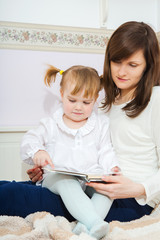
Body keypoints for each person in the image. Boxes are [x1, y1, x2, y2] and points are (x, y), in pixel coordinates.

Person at [0, 21, 159, 225]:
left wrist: (138, 189)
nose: (121, 72)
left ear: (148, 66)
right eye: (116, 61)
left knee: (12, 195)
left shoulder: (155, 100)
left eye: (133, 65)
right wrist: (47, 165)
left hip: (127, 199)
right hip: (88, 185)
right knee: (10, 186)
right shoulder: (101, 105)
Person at [20, 65, 119, 239]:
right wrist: (39, 151)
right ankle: (94, 221)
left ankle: (84, 228)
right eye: (72, 100)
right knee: (67, 181)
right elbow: (29, 140)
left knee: (107, 192)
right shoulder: (51, 124)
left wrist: (112, 168)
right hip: (58, 177)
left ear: (95, 99)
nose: (78, 107)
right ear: (62, 94)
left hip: (89, 176)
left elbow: (106, 150)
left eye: (86, 102)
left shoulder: (101, 124)